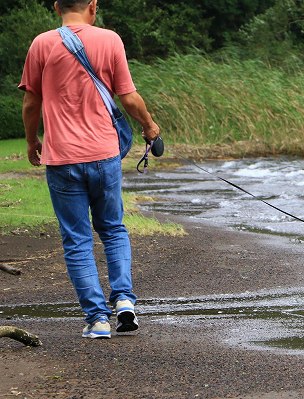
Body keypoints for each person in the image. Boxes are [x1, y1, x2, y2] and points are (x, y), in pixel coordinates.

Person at [19, 0, 160, 339]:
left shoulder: (41, 43)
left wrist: (31, 141)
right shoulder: (110, 40)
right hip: (103, 154)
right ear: (93, 6)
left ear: (56, 7)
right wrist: (150, 126)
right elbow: (128, 97)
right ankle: (125, 301)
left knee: (77, 240)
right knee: (113, 228)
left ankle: (97, 319)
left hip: (62, 158)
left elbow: (30, 102)